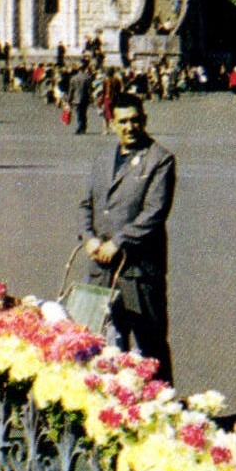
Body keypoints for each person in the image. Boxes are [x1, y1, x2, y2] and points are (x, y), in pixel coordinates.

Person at [78, 92, 176, 383]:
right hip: (101, 268)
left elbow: (154, 213)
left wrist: (117, 242)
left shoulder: (160, 159)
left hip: (138, 271)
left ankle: (163, 408)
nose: (129, 127)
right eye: (122, 121)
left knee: (151, 346)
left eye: (135, 120)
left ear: (144, 120)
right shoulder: (103, 157)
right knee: (103, 342)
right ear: (112, 124)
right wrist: (88, 238)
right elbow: (87, 203)